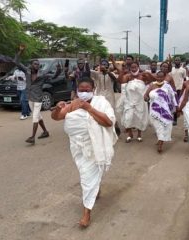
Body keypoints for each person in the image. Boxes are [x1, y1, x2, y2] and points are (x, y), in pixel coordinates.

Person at [51, 77, 117, 227]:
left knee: (87, 178)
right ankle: (96, 188)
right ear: (77, 91)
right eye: (81, 90)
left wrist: (89, 109)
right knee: (86, 173)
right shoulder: (73, 104)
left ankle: (86, 213)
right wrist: (57, 108)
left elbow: (108, 122)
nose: (84, 93)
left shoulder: (101, 103)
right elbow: (56, 118)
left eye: (87, 90)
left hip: (95, 147)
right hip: (78, 148)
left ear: (93, 90)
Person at [13, 45, 50, 144]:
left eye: (38, 64)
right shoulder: (27, 71)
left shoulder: (41, 75)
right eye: (35, 64)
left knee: (35, 117)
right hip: (30, 98)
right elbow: (16, 62)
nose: (37, 65)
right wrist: (20, 51)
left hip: (38, 99)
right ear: (31, 65)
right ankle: (45, 132)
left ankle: (32, 137)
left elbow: (53, 76)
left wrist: (60, 70)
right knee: (38, 116)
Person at [116, 61, 157, 142]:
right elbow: (120, 81)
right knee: (128, 117)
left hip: (140, 101)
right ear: (130, 68)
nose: (134, 69)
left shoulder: (143, 75)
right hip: (129, 101)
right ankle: (130, 134)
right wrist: (122, 71)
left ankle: (139, 134)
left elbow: (154, 80)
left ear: (138, 67)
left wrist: (148, 75)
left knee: (139, 117)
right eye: (132, 67)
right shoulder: (128, 76)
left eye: (135, 67)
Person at [144, 71, 178, 153]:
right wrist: (146, 98)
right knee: (157, 126)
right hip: (154, 110)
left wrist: (175, 106)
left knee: (164, 125)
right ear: (156, 77)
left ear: (164, 77)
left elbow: (172, 97)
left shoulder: (167, 86)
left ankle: (160, 144)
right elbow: (146, 95)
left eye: (161, 77)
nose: (159, 78)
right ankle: (160, 138)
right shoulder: (152, 85)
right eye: (158, 77)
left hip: (165, 110)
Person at [90, 58, 121, 135]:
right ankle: (101, 129)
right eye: (102, 64)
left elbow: (115, 79)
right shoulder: (97, 74)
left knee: (111, 112)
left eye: (105, 65)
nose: (103, 66)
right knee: (100, 112)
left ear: (107, 66)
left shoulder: (111, 74)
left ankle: (115, 127)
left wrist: (107, 71)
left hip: (110, 96)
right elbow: (88, 71)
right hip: (99, 96)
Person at [170, 57, 187, 125]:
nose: (177, 61)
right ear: (174, 61)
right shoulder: (172, 69)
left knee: (177, 104)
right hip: (172, 88)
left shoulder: (183, 70)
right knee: (172, 103)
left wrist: (184, 88)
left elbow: (185, 79)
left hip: (179, 88)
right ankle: (171, 117)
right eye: (176, 60)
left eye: (178, 60)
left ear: (180, 62)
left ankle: (175, 119)